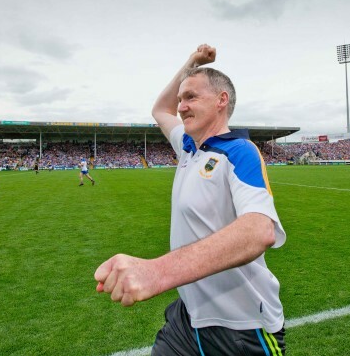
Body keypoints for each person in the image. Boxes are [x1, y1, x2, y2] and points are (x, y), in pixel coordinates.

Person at [95, 44, 287, 355]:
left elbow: (259, 231)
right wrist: (192, 63)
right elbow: (160, 110)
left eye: (191, 97)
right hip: (188, 318)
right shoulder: (189, 147)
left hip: (240, 329)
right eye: (181, 98)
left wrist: (157, 272)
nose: (181, 106)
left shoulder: (239, 151)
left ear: (221, 101)